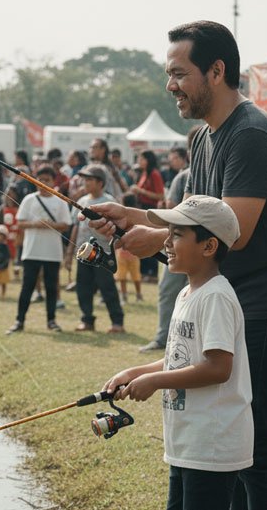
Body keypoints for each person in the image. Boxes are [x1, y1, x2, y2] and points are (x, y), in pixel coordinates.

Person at [87, 21, 267, 510]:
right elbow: (192, 216)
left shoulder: (251, 134)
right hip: (224, 298)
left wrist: (156, 238)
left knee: (254, 443)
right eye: (168, 74)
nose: (170, 85)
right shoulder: (202, 138)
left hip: (266, 303)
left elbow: (233, 229)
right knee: (224, 436)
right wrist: (130, 217)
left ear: (216, 71)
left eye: (178, 73)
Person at [102, 195, 251, 510]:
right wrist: (136, 373)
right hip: (187, 442)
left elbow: (218, 367)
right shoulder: (187, 292)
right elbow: (181, 357)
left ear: (209, 247)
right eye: (168, 233)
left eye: (177, 235)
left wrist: (156, 382)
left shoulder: (216, 297)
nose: (166, 242)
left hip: (211, 445)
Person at [141, 138, 197, 353]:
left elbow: (171, 211)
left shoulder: (187, 177)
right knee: (170, 291)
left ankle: (170, 338)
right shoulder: (184, 178)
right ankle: (163, 337)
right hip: (180, 242)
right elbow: (172, 212)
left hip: (184, 243)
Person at [5, 166, 71, 334]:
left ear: (53, 182)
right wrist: (36, 224)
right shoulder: (29, 199)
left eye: (47, 180)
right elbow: (20, 222)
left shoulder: (60, 201)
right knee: (27, 287)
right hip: (31, 250)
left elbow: (65, 225)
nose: (43, 184)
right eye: (40, 180)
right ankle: (19, 320)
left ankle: (51, 320)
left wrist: (49, 225)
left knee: (51, 287)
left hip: (52, 252)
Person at [65, 164, 125, 333]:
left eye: (89, 179)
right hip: (83, 252)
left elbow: (118, 229)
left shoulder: (110, 201)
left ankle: (117, 322)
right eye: (85, 179)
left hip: (104, 253)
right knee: (83, 287)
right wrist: (70, 252)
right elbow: (76, 227)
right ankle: (87, 320)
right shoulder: (82, 201)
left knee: (107, 287)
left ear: (100, 182)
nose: (86, 183)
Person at [130, 149, 165, 282]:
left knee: (149, 239)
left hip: (150, 209)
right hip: (142, 208)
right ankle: (144, 271)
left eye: (142, 159)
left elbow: (160, 195)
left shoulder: (154, 174)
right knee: (142, 239)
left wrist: (140, 191)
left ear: (148, 160)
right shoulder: (144, 173)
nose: (139, 161)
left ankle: (151, 273)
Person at [114, 194, 143, 303]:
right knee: (135, 276)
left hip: (123, 251)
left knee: (123, 277)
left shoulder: (121, 217)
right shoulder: (138, 216)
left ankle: (125, 295)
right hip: (133, 252)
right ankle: (137, 294)